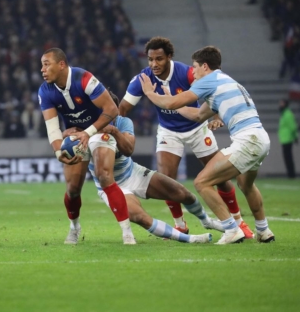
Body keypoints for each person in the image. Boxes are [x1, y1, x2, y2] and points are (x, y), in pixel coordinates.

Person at [119, 37, 254, 239]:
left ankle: (238, 222)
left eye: (159, 59)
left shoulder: (187, 73)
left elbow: (213, 92)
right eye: (150, 59)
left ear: (169, 57)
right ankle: (180, 225)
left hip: (197, 127)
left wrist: (216, 116)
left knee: (221, 177)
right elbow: (122, 109)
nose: (154, 64)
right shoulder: (143, 79)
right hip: (168, 131)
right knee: (166, 178)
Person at [139, 45, 275, 244]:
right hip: (261, 139)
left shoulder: (209, 80)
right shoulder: (224, 82)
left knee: (201, 182)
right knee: (246, 184)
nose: (192, 72)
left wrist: (150, 93)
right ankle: (263, 230)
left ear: (205, 66)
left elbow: (171, 103)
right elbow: (198, 115)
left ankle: (231, 229)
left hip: (247, 140)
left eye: (195, 67)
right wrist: (175, 105)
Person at [64, 90, 224, 244]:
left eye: (111, 111)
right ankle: (190, 239)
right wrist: (65, 137)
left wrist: (114, 131)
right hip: (113, 186)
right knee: (141, 217)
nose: (107, 115)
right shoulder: (85, 130)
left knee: (183, 193)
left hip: (134, 173)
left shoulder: (123, 122)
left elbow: (128, 149)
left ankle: (207, 221)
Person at [38, 48, 135, 245]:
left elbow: (112, 109)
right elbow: (52, 128)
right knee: (73, 189)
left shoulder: (84, 79)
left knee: (104, 175)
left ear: (62, 64)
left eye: (46, 64)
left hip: (100, 130)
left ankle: (127, 232)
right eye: (42, 65)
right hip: (75, 137)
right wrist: (58, 152)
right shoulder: (45, 91)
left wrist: (88, 132)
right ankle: (74, 227)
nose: (42, 69)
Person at [278, 99, 297, 178]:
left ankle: (291, 174)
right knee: (287, 158)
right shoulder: (284, 114)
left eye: (281, 103)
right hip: (285, 139)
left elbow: (292, 126)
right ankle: (291, 174)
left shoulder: (288, 114)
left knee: (288, 157)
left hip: (287, 139)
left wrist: (295, 137)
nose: (280, 105)